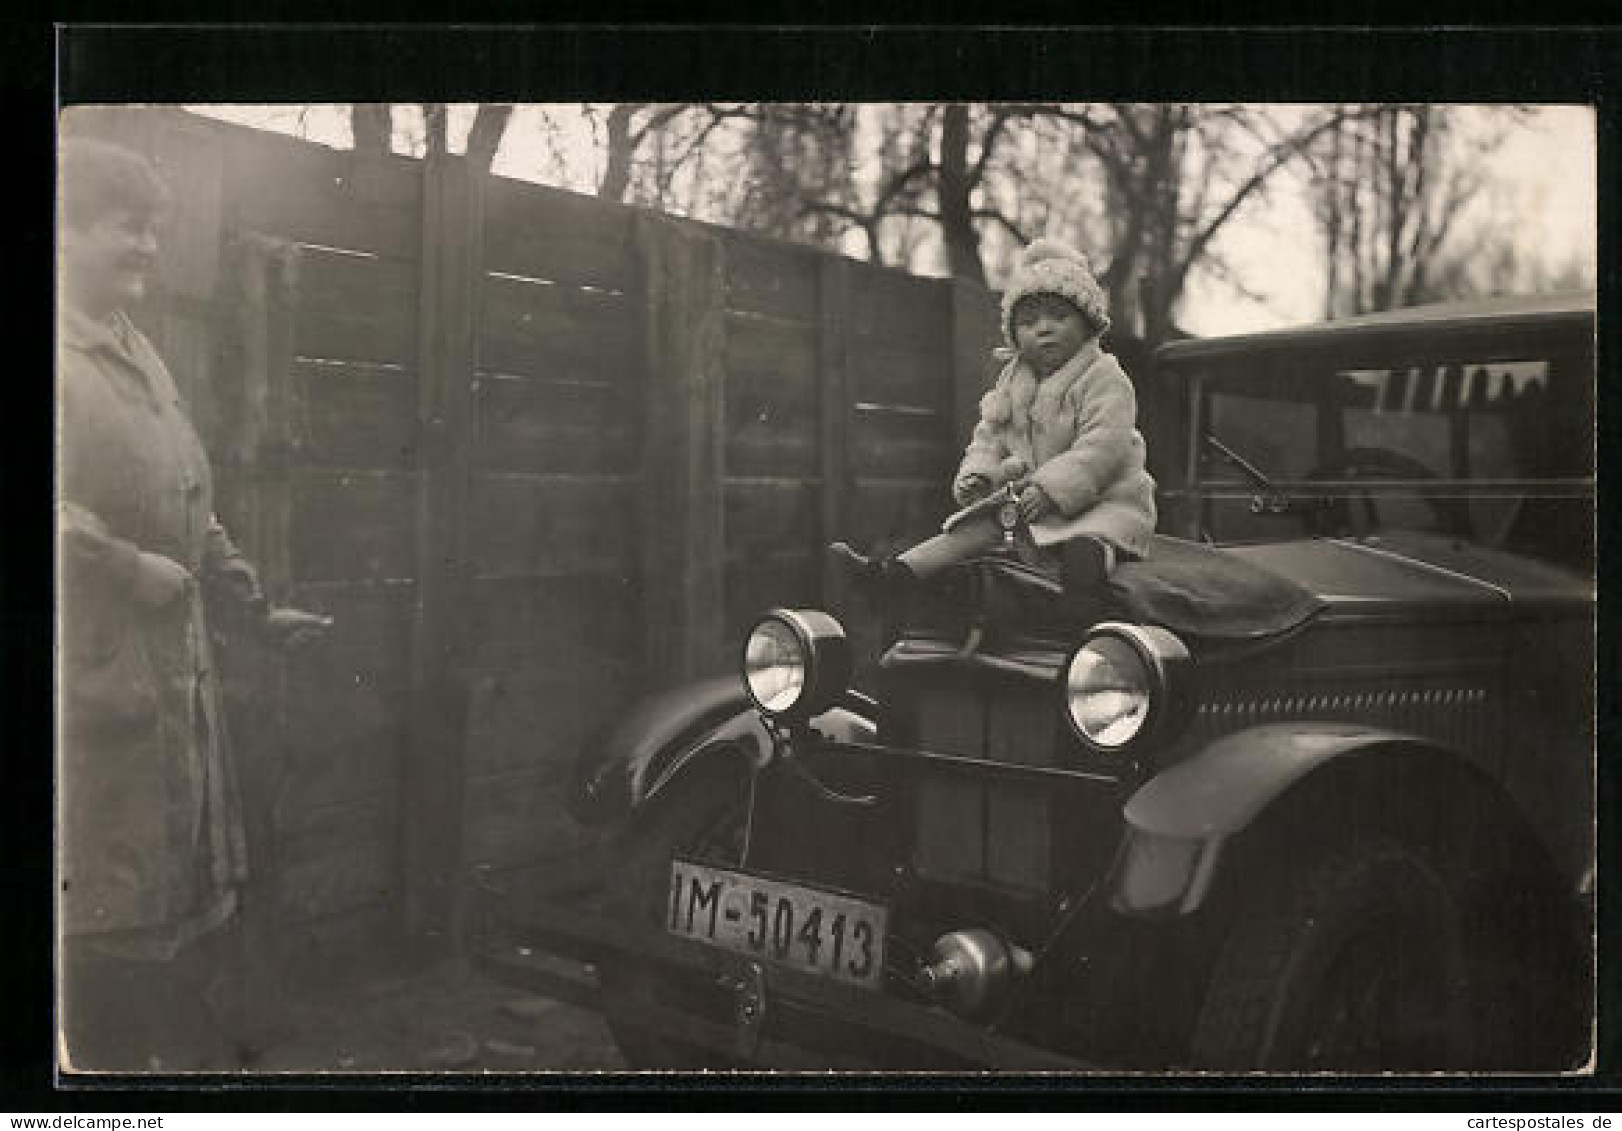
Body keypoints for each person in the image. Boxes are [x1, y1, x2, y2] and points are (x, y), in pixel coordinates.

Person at [57, 137, 331, 1071]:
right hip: (83, 708)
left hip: (168, 702)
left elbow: (194, 509)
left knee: (160, 949)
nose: (144, 247)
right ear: (59, 233)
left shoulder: (145, 360)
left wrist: (253, 611)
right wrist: (126, 566)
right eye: (119, 226)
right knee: (90, 959)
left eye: (152, 228)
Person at [832, 238, 1157, 593]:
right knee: (969, 530)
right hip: (1030, 506)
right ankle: (895, 575)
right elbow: (988, 437)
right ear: (1014, 335)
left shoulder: (1105, 377)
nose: (1044, 329)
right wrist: (979, 474)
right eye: (1029, 322)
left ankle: (1089, 570)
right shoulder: (1012, 382)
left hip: (1102, 500)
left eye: (1059, 317)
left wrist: (1051, 489)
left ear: (1089, 325)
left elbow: (1102, 447)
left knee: (1096, 539)